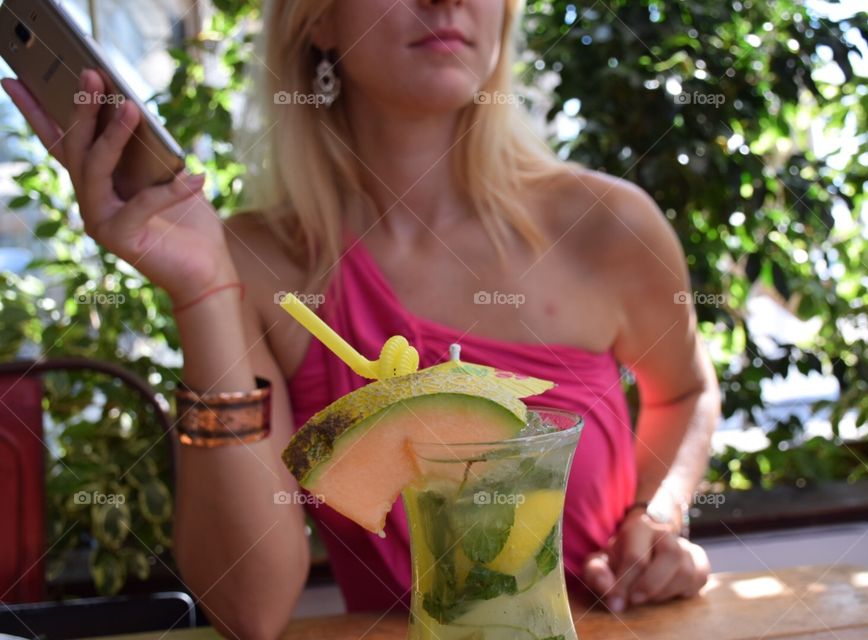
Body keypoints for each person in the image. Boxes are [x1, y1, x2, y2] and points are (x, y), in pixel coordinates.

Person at [3, 0, 720, 637]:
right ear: (316, 18)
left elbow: (686, 392)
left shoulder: (609, 226)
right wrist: (203, 293)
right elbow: (247, 607)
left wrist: (655, 521)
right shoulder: (260, 265)